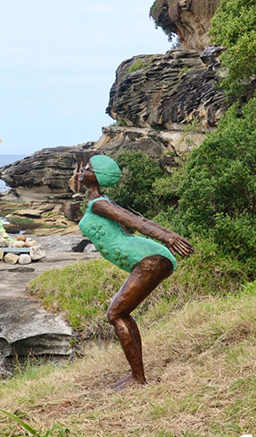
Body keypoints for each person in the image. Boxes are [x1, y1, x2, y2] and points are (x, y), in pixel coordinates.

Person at [71, 154, 194, 389]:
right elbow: (140, 219)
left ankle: (137, 379)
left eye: (86, 168)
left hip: (149, 258)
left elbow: (135, 222)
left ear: (97, 176)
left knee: (116, 314)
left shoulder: (99, 203)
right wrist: (168, 234)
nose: (81, 171)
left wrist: (168, 237)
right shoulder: (101, 200)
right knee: (121, 313)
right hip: (148, 257)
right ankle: (137, 376)